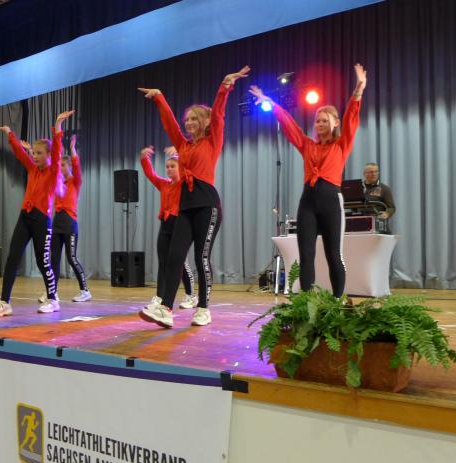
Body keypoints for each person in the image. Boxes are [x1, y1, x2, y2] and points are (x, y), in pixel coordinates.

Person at [137, 65, 250, 328]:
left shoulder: (213, 140)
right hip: (185, 206)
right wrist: (159, 97)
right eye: (187, 119)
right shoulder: (184, 145)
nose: (188, 123)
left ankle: (204, 308)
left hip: (207, 205)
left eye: (194, 119)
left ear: (205, 122)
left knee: (201, 258)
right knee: (174, 256)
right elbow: (170, 125)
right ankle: (165, 308)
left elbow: (219, 113)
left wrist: (225, 86)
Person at [249, 63, 367, 298]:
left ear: (335, 123)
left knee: (334, 255)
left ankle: (336, 301)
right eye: (317, 120)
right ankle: (307, 302)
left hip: (331, 201)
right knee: (306, 255)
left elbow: (352, 118)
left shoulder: (341, 145)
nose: (319, 123)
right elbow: (290, 126)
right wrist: (270, 102)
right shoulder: (308, 145)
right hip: (308, 203)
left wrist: (359, 90)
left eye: (324, 120)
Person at [0, 110, 74, 317]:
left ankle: (53, 300)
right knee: (12, 258)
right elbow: (20, 153)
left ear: (48, 155)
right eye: (33, 153)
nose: (34, 156)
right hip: (25, 217)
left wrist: (58, 127)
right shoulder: (32, 168)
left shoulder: (53, 171)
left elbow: (57, 150)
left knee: (43, 262)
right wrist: (9, 133)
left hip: (41, 221)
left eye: (38, 153)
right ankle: (5, 302)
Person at [140, 145, 197, 310]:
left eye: (173, 166)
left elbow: (190, 170)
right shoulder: (164, 184)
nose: (169, 169)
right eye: (167, 166)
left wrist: (181, 155)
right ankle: (159, 297)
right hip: (165, 225)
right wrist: (144, 158)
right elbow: (150, 174)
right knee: (163, 262)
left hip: (180, 224)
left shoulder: (184, 184)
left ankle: (191, 295)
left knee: (180, 262)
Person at [37, 134, 92, 303]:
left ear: (69, 166)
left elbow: (77, 165)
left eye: (63, 165)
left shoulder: (75, 181)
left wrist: (72, 149)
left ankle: (85, 291)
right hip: (57, 222)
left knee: (71, 258)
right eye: (59, 165)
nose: (60, 168)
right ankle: (52, 292)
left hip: (69, 223)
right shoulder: (57, 182)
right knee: (54, 259)